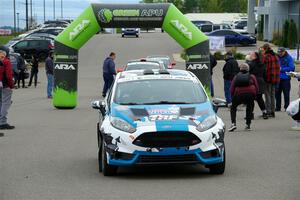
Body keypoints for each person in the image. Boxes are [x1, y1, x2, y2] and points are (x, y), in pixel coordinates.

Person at [228, 63, 259, 132]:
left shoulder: (236, 77)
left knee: (233, 107)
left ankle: (233, 124)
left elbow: (231, 89)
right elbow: (257, 87)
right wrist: (255, 96)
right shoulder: (252, 76)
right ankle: (248, 125)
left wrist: (233, 97)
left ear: (240, 69)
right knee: (249, 107)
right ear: (248, 69)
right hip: (250, 94)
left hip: (239, 94)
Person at [247, 51, 268, 119]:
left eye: (251, 55)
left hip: (253, 82)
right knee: (259, 98)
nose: (250, 55)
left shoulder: (250, 64)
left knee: (251, 99)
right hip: (261, 82)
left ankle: (250, 114)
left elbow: (247, 73)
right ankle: (264, 112)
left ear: (255, 56)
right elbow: (265, 74)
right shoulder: (262, 64)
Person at [262, 43, 280, 118]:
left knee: (267, 95)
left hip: (268, 78)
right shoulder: (275, 56)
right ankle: (273, 111)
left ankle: (268, 111)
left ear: (265, 49)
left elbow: (264, 69)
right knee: (273, 95)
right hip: (275, 78)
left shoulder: (266, 57)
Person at [275, 47, 295, 111]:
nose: (279, 53)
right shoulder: (276, 57)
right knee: (277, 94)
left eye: (281, 52)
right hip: (278, 78)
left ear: (284, 51)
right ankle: (278, 107)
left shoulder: (289, 58)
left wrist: (281, 69)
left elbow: (291, 67)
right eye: (278, 52)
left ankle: (287, 107)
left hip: (286, 78)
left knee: (286, 93)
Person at [0, 46, 15, 130]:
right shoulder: (6, 61)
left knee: (1, 103)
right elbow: (9, 76)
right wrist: (11, 85)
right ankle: (2, 122)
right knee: (6, 103)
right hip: (5, 85)